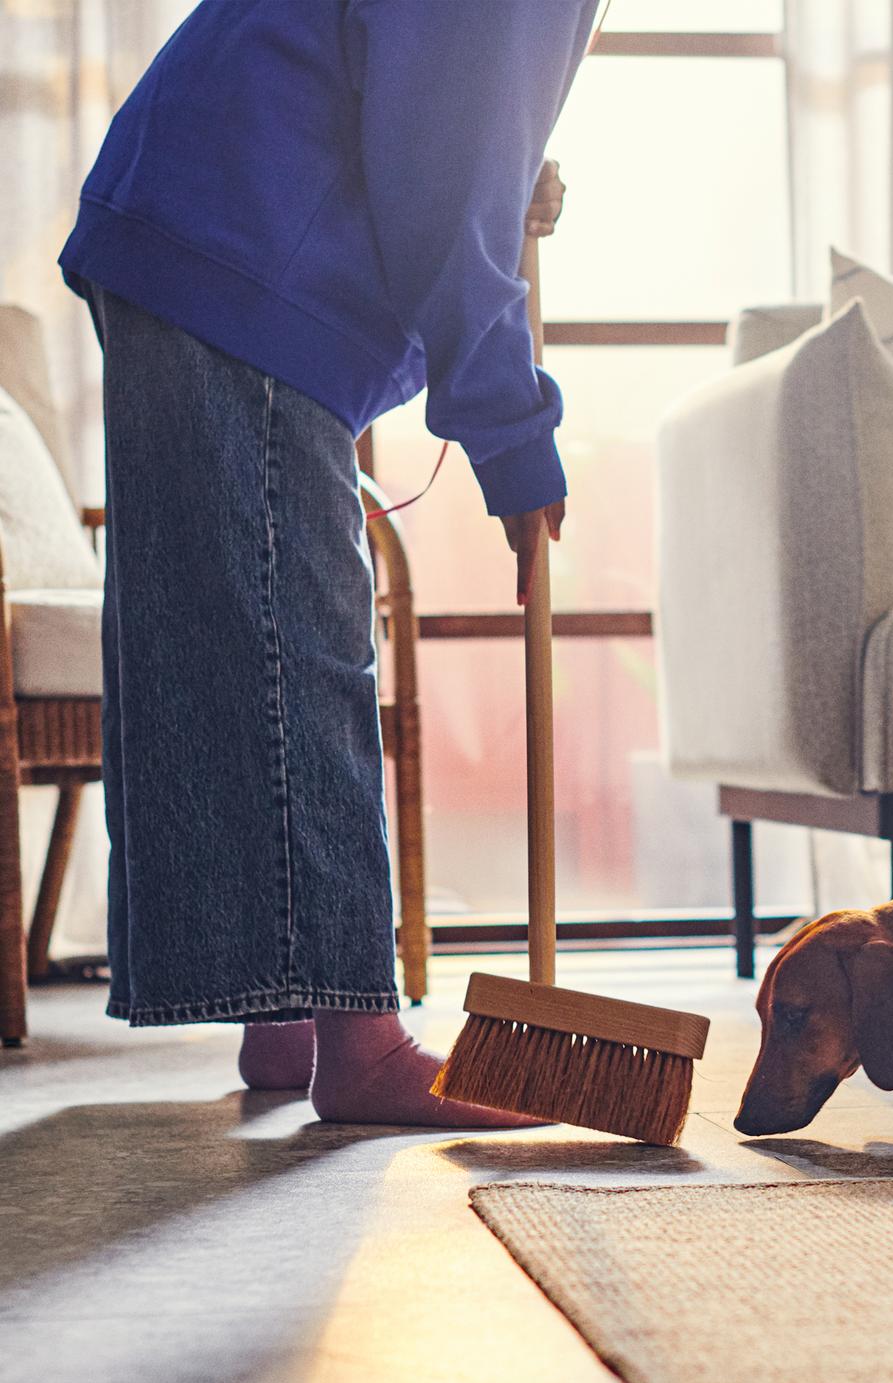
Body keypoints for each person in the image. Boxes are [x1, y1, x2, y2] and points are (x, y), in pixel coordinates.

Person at [58, 0, 600, 1127]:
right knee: (294, 641)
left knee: (234, 628)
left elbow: (425, 118)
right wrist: (512, 435)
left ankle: (286, 1013)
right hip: (241, 240)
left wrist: (505, 183)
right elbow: (445, 190)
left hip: (194, 221)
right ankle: (357, 1041)